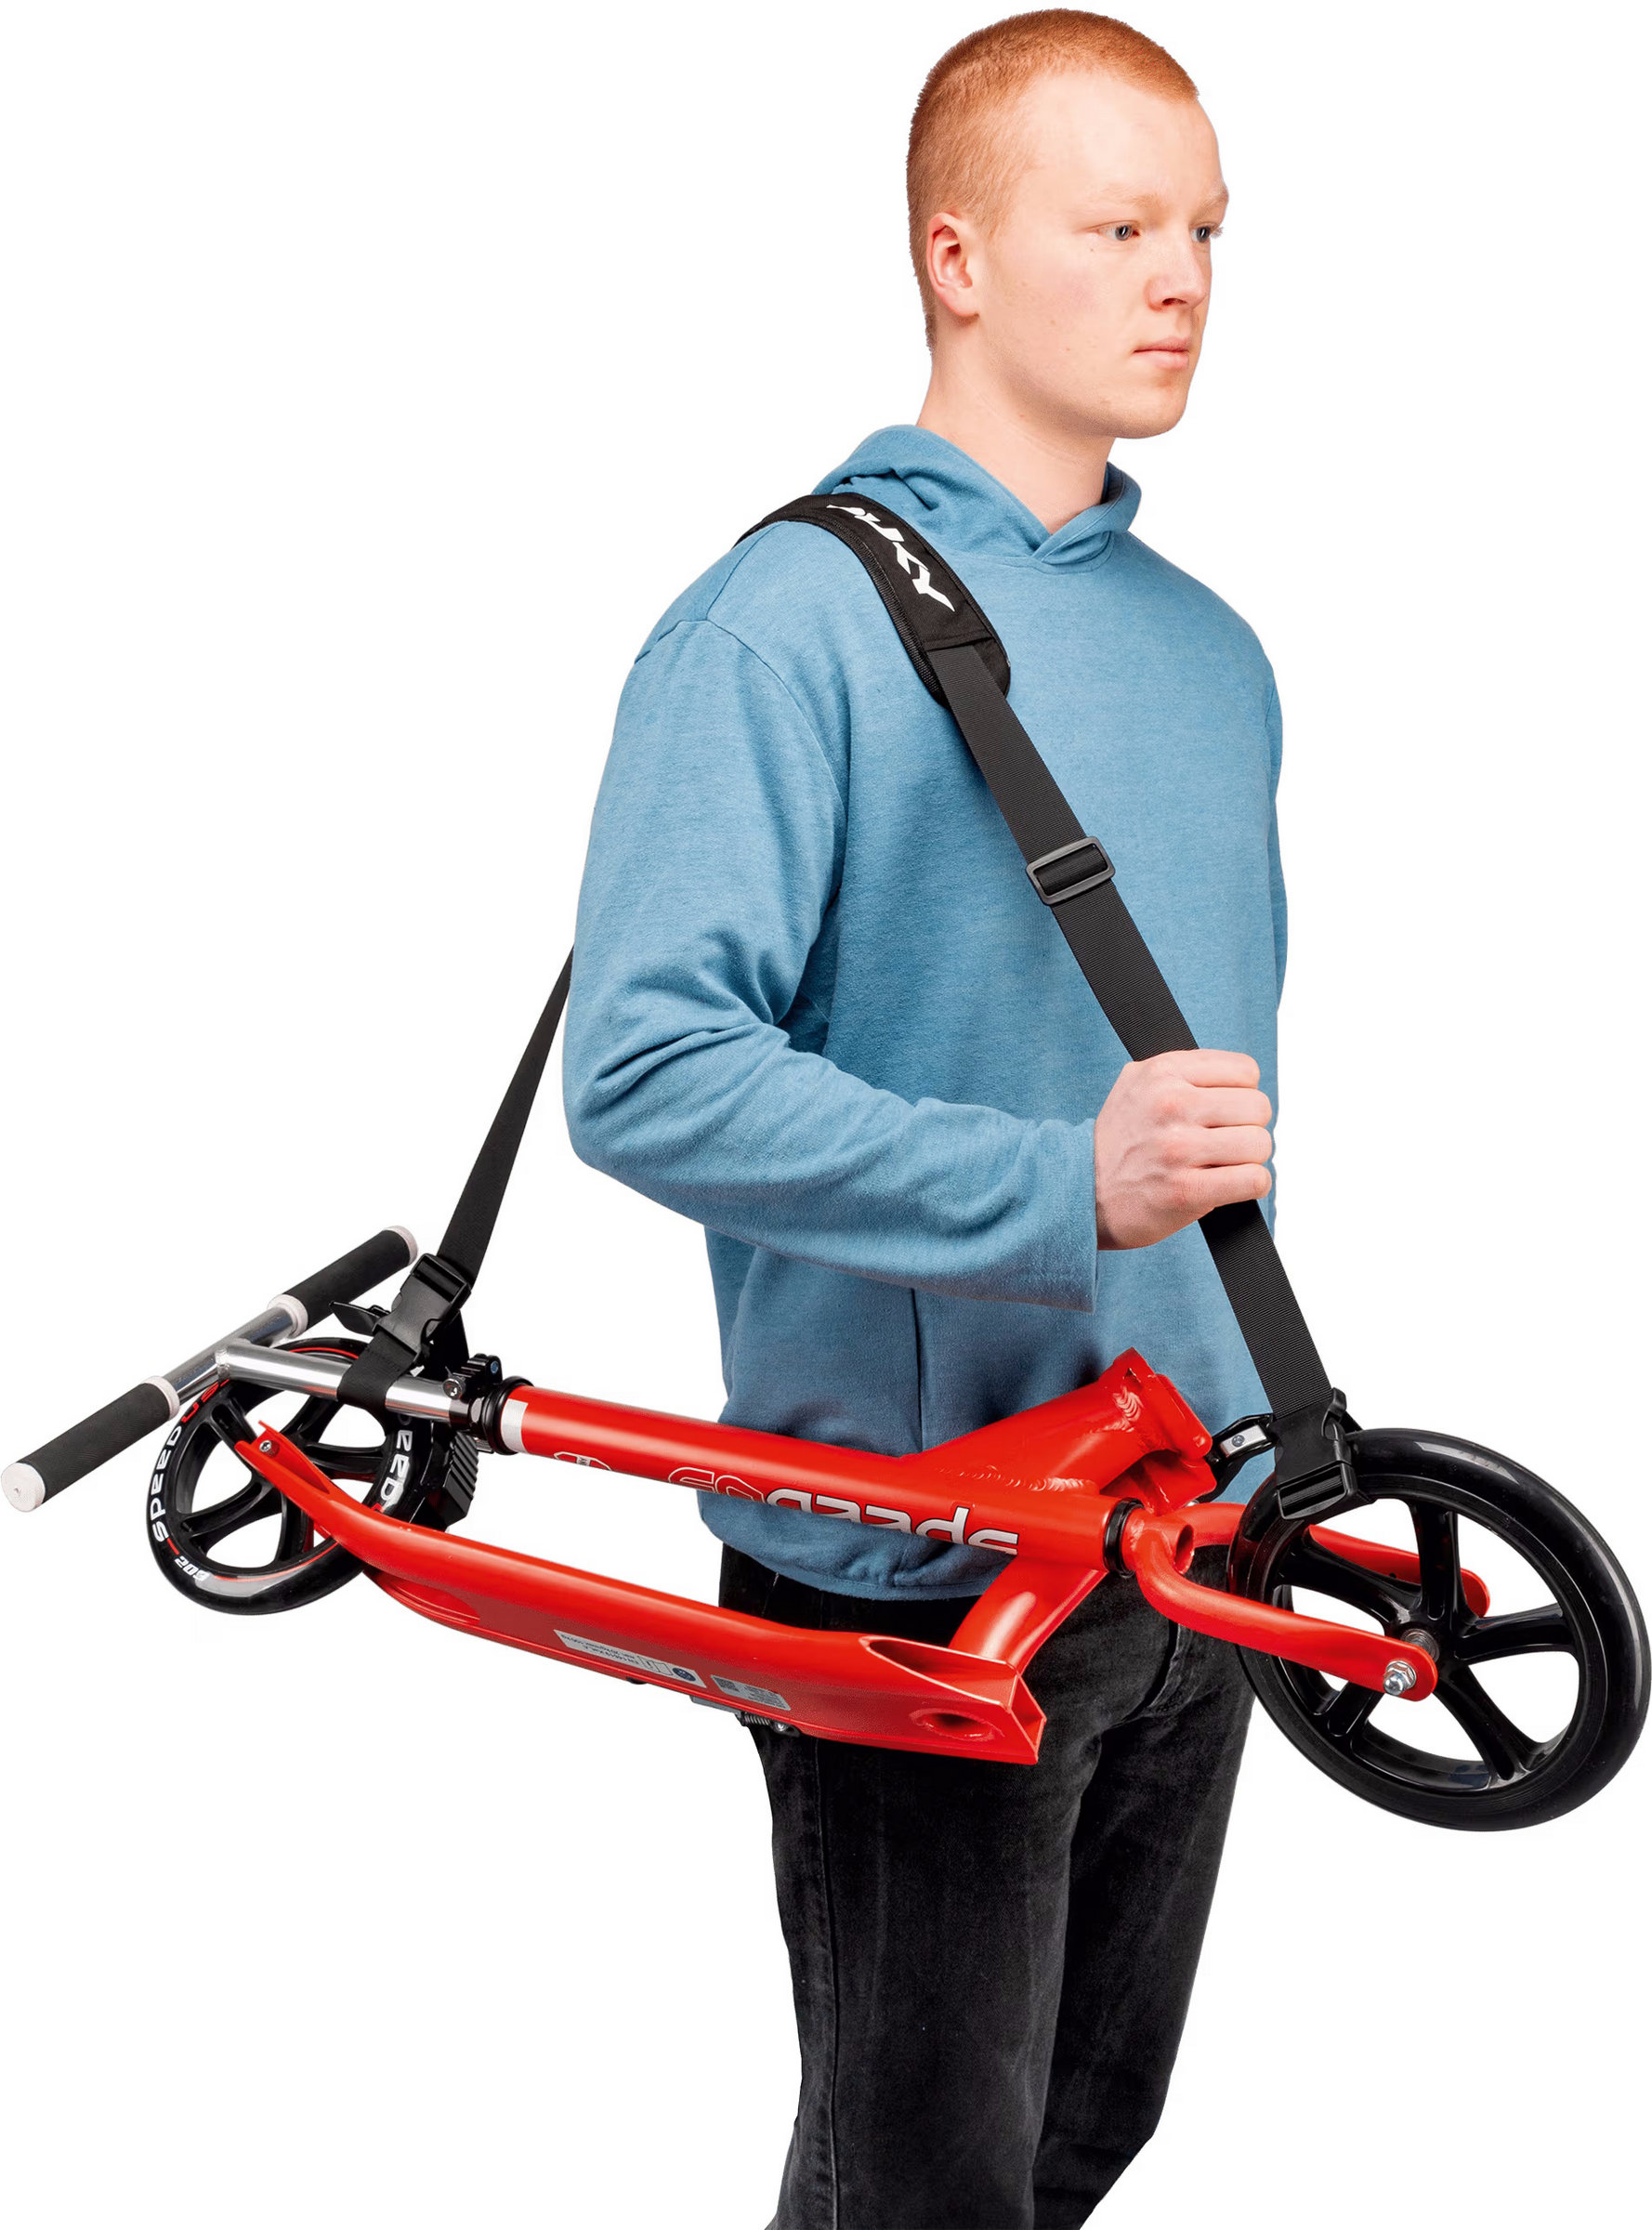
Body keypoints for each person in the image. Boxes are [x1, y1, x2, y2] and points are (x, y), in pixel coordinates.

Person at [565, 13, 1281, 2224]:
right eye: (1118, 227)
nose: (1182, 278)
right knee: (920, 2190)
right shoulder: (775, 630)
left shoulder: (1212, 653)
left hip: (1196, 1536)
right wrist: (1060, 1185)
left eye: (1204, 230)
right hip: (914, 1560)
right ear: (957, 259)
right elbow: (643, 1067)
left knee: (1080, 2141)